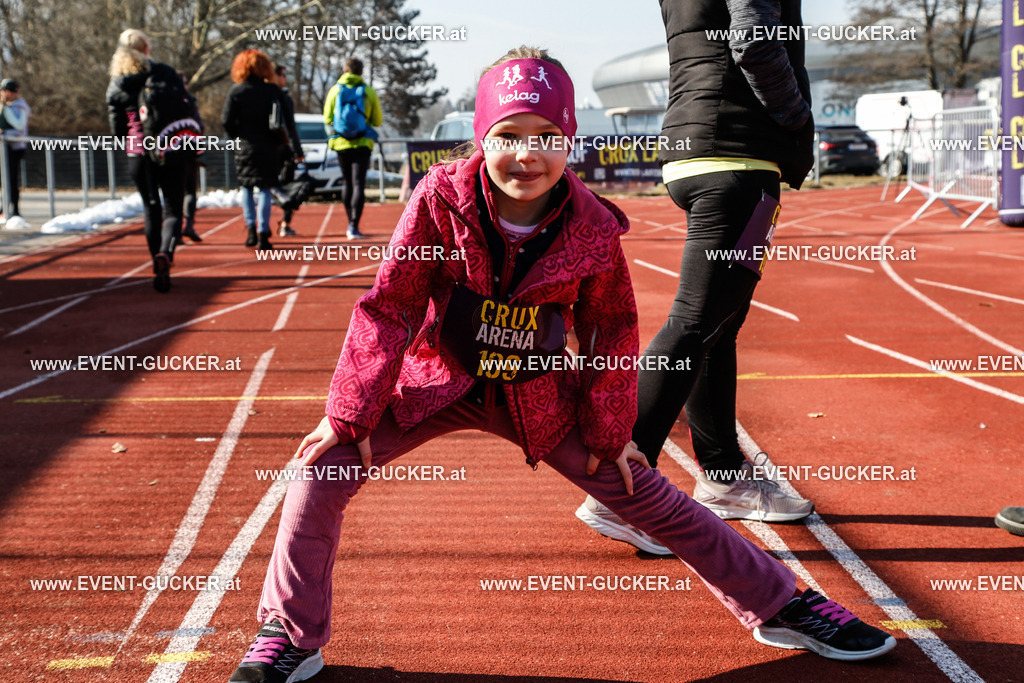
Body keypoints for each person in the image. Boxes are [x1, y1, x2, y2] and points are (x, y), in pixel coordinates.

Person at [228, 46, 895, 683]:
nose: (527, 153)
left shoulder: (592, 227)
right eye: (509, 134)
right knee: (320, 468)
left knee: (643, 489)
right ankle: (292, 633)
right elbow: (391, 306)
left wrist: (613, 436)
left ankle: (784, 605)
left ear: (569, 139)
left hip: (537, 390)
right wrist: (349, 414)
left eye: (547, 135)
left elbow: (610, 331)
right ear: (482, 136)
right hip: (440, 380)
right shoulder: (438, 199)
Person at [576, 0, 817, 552]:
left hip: (694, 148)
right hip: (737, 155)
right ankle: (618, 490)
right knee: (693, 324)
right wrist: (796, 117)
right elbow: (753, 39)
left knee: (716, 327)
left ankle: (723, 476)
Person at [106, 29, 193, 293]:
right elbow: (185, 106)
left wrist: (129, 141)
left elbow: (116, 123)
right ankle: (166, 252)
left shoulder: (117, 82)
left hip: (137, 150)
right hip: (168, 146)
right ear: (147, 49)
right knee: (173, 208)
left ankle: (156, 257)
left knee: (150, 207)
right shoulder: (164, 73)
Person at [222, 49, 283, 251]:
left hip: (244, 145)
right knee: (264, 188)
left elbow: (226, 121)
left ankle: (250, 229)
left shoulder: (236, 91)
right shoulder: (271, 91)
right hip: (267, 144)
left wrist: (237, 136)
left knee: (246, 188)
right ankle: (264, 232)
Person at [323, 57, 381, 240]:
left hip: (341, 144)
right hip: (362, 144)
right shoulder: (367, 91)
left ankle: (349, 222)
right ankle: (354, 225)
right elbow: (377, 120)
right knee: (358, 184)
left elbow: (326, 118)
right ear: (361, 72)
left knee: (347, 183)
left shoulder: (335, 90)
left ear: (344, 70)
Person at [271, 64, 303, 238]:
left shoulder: (263, 96)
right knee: (284, 188)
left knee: (273, 187)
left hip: (269, 150)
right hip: (281, 149)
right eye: (282, 75)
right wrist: (298, 151)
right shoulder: (282, 99)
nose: (285, 79)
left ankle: (263, 227)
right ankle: (283, 223)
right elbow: (291, 128)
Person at [177, 71, 203, 244]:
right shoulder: (189, 102)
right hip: (187, 150)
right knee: (189, 191)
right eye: (185, 82)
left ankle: (177, 228)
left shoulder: (163, 100)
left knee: (176, 192)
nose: (187, 85)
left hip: (171, 151)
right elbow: (199, 126)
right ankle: (188, 225)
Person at [0, 78, 30, 222]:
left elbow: (19, 127)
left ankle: (14, 210)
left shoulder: (17, 107)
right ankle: (4, 208)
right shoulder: (5, 106)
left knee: (11, 179)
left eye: (11, 91)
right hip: (5, 148)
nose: (7, 94)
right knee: (4, 180)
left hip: (14, 148)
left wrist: (4, 134)